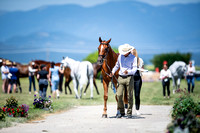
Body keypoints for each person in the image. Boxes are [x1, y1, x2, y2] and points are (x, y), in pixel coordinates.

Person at [110, 44, 137, 118]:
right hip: (120, 77)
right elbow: (117, 66)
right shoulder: (120, 56)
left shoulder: (133, 58)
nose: (123, 53)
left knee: (130, 96)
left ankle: (129, 113)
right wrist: (112, 72)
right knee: (119, 95)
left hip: (129, 78)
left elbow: (135, 69)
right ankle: (122, 112)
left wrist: (128, 72)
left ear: (128, 52)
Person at [132, 48, 144, 115]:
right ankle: (128, 109)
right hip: (131, 78)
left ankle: (137, 109)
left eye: (133, 53)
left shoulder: (140, 60)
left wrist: (141, 69)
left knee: (137, 95)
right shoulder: (129, 60)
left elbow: (142, 69)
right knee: (129, 95)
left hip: (138, 79)